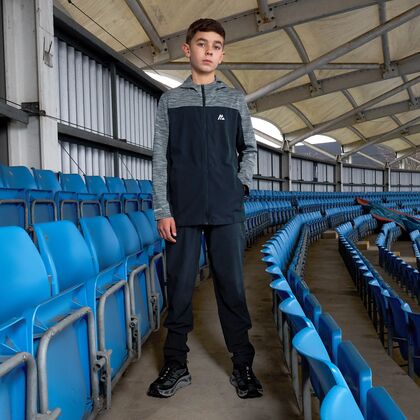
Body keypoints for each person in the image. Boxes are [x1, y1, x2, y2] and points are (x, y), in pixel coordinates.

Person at [148, 17, 262, 399]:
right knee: (180, 288)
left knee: (232, 288)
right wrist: (162, 209)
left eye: (216, 46)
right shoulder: (170, 101)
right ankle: (175, 364)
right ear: (187, 49)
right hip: (181, 211)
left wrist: (240, 184)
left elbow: (250, 148)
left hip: (227, 210)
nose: (208, 51)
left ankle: (243, 364)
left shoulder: (234, 100)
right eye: (201, 44)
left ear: (222, 54)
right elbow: (160, 159)